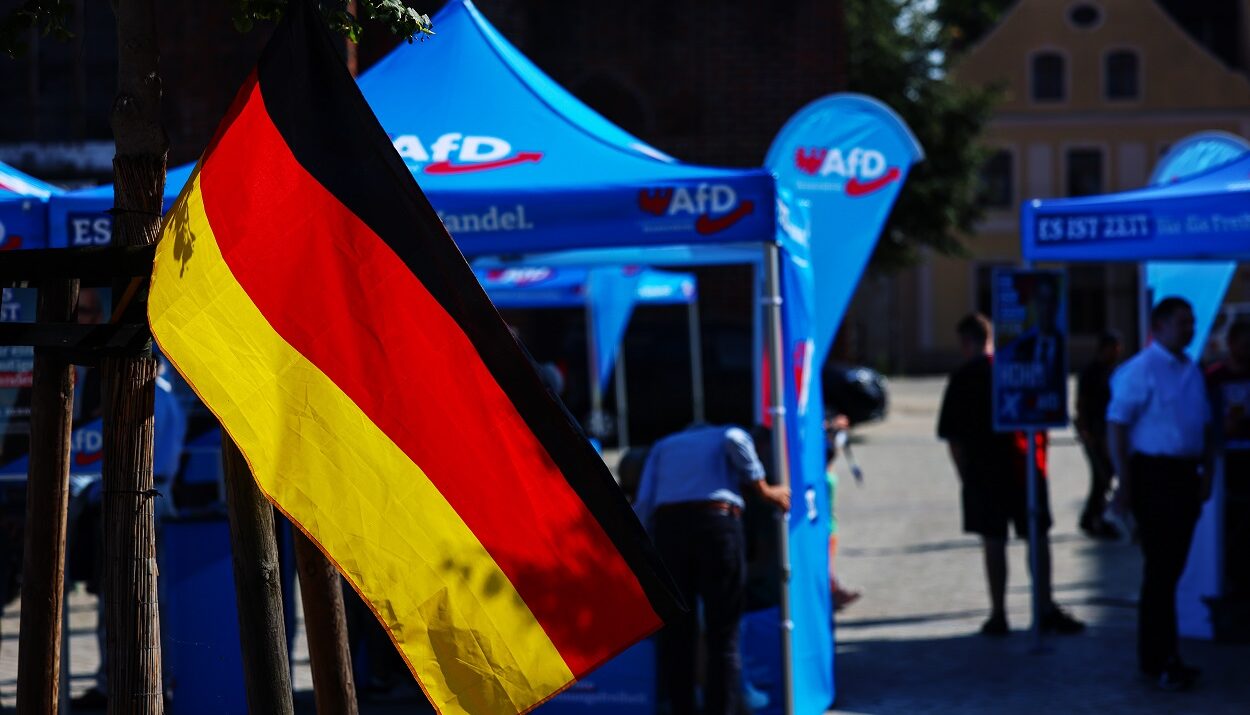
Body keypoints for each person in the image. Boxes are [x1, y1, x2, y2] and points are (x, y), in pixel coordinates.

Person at [937, 313, 1084, 637]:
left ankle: (998, 613)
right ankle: (1044, 606)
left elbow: (953, 438)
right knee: (1037, 536)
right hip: (1025, 467)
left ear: (966, 341)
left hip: (983, 473)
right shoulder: (1018, 369)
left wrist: (965, 476)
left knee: (993, 540)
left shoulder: (963, 377)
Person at [632, 424, 790, 715]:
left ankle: (682, 709)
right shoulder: (724, 433)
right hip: (718, 526)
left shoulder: (664, 443)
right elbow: (735, 439)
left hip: (670, 532)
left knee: (678, 633)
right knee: (723, 632)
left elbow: (644, 504)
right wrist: (764, 488)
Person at [1107, 297, 1213, 691]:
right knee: (1160, 572)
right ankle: (1158, 658)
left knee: (1171, 570)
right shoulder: (1141, 369)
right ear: (1160, 325)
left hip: (1185, 476)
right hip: (1154, 476)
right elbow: (1117, 425)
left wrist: (1208, 474)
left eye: (1192, 322)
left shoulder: (1191, 369)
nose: (1190, 329)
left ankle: (1166, 655)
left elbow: (1204, 427)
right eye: (1183, 322)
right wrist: (1124, 483)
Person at [1206, 320, 1250, 607]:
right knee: (1230, 525)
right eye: (1245, 343)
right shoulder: (1214, 377)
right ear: (1231, 343)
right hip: (1226, 462)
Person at [1076, 331, 1123, 539]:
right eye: (1113, 348)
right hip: (1095, 433)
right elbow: (1082, 403)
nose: (1116, 353)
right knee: (1102, 476)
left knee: (1105, 476)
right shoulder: (1092, 373)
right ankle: (1097, 517)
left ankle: (1092, 516)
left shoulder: (1113, 371)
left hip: (1107, 431)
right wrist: (1085, 430)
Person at [824, 412, 860, 611]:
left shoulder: (825, 466)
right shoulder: (822, 469)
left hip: (830, 522)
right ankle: (833, 592)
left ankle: (834, 590)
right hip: (825, 523)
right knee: (826, 560)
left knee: (829, 560)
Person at [1007, 276, 1067, 394]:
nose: (1046, 308)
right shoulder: (1023, 349)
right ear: (1035, 304)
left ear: (1056, 304)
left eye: (1051, 301)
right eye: (1042, 300)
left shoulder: (1064, 347)